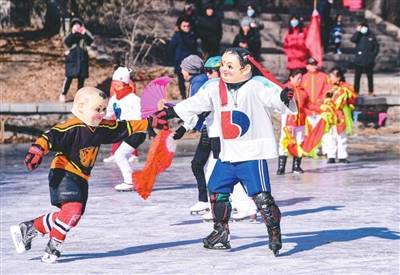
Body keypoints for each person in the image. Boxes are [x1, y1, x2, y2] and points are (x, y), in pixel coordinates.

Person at [158, 47, 297, 255]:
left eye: (230, 66)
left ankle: (274, 230)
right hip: (227, 152)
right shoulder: (214, 86)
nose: (224, 69)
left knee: (261, 198)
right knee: (216, 190)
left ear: (246, 68)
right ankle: (221, 232)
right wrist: (171, 111)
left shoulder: (256, 85)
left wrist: (284, 96)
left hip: (251, 153)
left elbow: (274, 97)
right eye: (222, 64)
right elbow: (196, 104)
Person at [9, 87, 167, 263]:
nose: (101, 114)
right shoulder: (73, 126)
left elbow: (124, 126)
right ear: (81, 107)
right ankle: (54, 245)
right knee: (73, 210)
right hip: (63, 172)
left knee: (71, 216)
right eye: (97, 109)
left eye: (103, 109)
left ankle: (30, 229)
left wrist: (149, 122)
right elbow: (51, 136)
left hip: (82, 177)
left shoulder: (102, 127)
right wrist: (37, 149)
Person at [104, 67, 146, 191]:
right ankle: (131, 180)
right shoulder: (114, 99)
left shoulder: (134, 99)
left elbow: (140, 117)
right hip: (124, 131)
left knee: (120, 155)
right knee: (120, 155)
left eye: (118, 82)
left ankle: (129, 182)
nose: (115, 85)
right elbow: (108, 114)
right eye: (114, 82)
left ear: (125, 83)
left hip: (137, 131)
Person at [277, 68, 309, 174]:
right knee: (285, 141)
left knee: (299, 141)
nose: (300, 80)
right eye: (298, 78)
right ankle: (281, 167)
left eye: (301, 78)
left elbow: (308, 105)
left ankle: (296, 165)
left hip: (301, 120)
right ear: (291, 77)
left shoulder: (303, 91)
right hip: (289, 120)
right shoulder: (285, 88)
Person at [324, 67, 356, 164]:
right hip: (330, 114)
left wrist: (345, 97)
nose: (330, 78)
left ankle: (342, 156)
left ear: (338, 77)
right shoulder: (328, 86)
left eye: (332, 76)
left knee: (341, 136)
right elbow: (323, 97)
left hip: (341, 114)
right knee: (330, 135)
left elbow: (352, 99)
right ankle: (331, 155)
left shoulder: (347, 87)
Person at [60, 18, 94, 102]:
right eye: (75, 24)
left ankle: (79, 97)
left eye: (78, 24)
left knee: (81, 79)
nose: (77, 26)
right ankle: (63, 94)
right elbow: (67, 42)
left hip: (82, 59)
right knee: (69, 78)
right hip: (72, 59)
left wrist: (84, 33)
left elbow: (90, 41)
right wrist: (73, 33)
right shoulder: (69, 33)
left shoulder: (85, 33)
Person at [169, 16, 198, 99]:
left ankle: (192, 96)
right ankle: (184, 97)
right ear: (180, 26)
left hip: (191, 62)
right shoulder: (177, 36)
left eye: (188, 26)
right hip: (180, 62)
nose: (186, 28)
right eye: (184, 26)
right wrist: (173, 60)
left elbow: (195, 49)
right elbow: (171, 48)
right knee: (181, 81)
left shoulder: (192, 36)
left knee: (193, 80)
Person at [351, 22, 379, 96]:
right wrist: (357, 31)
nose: (364, 28)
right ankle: (356, 92)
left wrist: (372, 56)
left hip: (368, 60)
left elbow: (376, 47)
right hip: (359, 60)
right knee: (357, 77)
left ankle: (371, 91)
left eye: (365, 27)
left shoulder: (371, 35)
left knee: (370, 77)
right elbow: (353, 39)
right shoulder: (358, 35)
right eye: (362, 27)